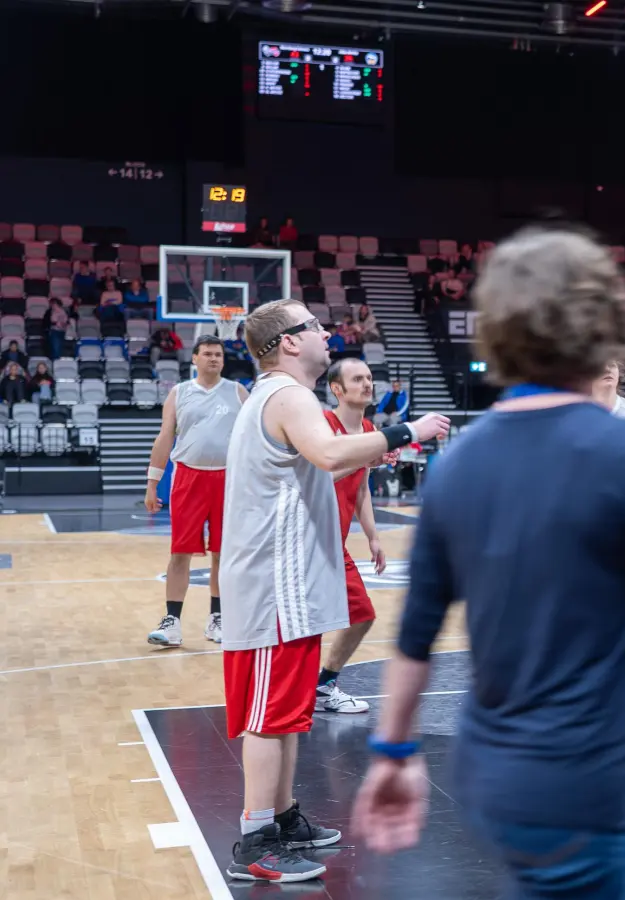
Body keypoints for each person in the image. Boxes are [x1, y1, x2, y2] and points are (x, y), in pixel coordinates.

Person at [351, 227, 625, 896]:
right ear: (598, 326)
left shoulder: (460, 461)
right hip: (587, 782)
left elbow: (415, 636)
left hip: (496, 775)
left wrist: (393, 753)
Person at [221, 299, 449, 882]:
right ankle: (253, 842)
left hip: (289, 583)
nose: (327, 335)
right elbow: (326, 455)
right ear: (289, 343)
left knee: (290, 714)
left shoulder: (280, 397)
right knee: (269, 716)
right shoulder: (287, 394)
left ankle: (282, 817)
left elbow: (317, 468)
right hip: (273, 585)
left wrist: (374, 448)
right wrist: (407, 429)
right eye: (315, 327)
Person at [143, 336, 247, 648]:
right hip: (188, 478)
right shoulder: (179, 392)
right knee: (180, 552)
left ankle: (217, 618)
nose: (214, 359)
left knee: (222, 553)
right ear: (195, 359)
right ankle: (172, 622)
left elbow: (254, 438)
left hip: (229, 479)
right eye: (208, 354)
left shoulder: (239, 392)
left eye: (219, 355)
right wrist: (152, 483)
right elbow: (164, 439)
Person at [316, 359, 396, 714]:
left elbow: (361, 490)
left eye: (369, 378)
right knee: (305, 623)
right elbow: (316, 479)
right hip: (306, 539)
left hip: (335, 542)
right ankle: (287, 692)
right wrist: (363, 458)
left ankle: (323, 686)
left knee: (361, 615)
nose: (367, 383)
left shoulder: (367, 428)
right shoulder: (321, 425)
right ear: (337, 389)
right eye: (357, 379)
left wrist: (373, 537)